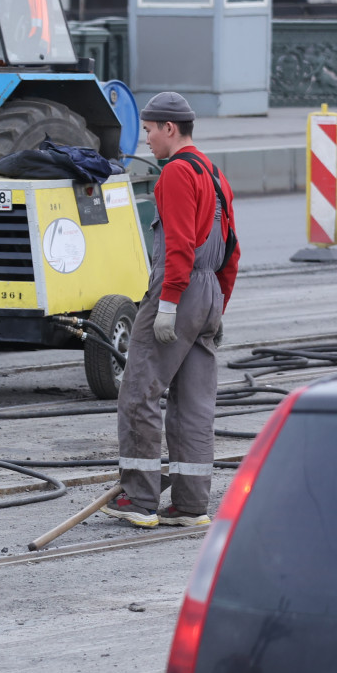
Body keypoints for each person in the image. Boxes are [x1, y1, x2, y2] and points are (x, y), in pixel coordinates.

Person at [102, 92, 240, 529]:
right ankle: (190, 504)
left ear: (169, 128)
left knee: (139, 390)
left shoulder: (177, 174)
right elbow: (231, 251)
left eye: (148, 130)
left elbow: (179, 245)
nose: (146, 140)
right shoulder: (215, 174)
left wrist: (167, 305)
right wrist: (217, 309)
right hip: (209, 293)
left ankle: (140, 499)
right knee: (194, 404)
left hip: (178, 291)